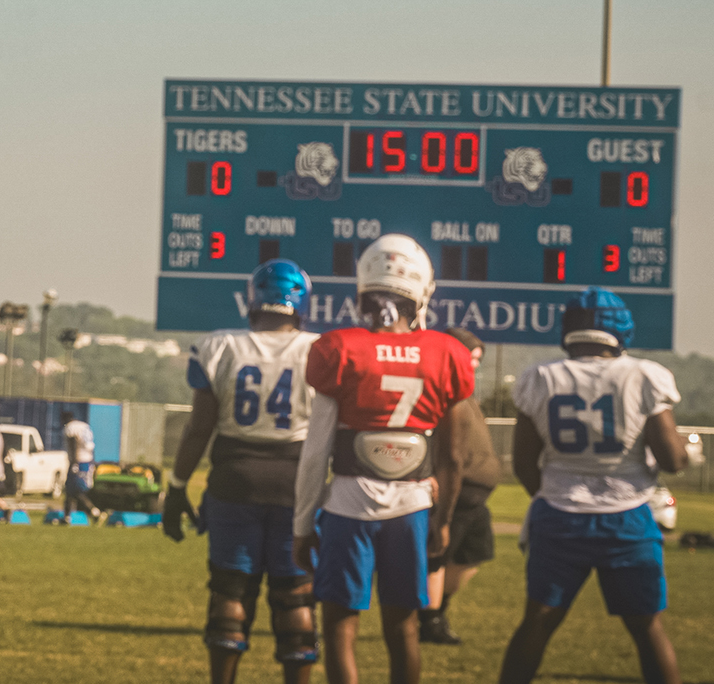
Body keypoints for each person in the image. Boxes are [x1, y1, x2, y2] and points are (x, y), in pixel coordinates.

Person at [292, 234, 475, 684]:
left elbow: (316, 449)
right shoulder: (447, 352)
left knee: (339, 626)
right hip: (412, 504)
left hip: (350, 502)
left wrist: (301, 523)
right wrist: (444, 518)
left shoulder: (340, 348)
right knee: (404, 627)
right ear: (422, 291)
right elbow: (451, 455)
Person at [498, 287, 687, 684]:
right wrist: (685, 454)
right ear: (621, 328)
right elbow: (671, 459)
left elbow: (524, 465)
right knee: (647, 627)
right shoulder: (644, 375)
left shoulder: (540, 377)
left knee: (538, 621)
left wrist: (556, 495)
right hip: (627, 516)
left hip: (559, 516)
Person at [164, 259, 322, 684]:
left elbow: (200, 428)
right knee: (295, 597)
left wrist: (177, 487)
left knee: (230, 589)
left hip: (235, 479)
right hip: (297, 484)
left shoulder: (222, 346)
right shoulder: (319, 349)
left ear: (253, 299)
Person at [419, 327, 503, 646]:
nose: (475, 364)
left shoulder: (465, 391)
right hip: (457, 490)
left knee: (471, 556)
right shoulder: (440, 390)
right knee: (438, 556)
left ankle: (437, 607)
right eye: (471, 357)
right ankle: (429, 619)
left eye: (478, 359)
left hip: (477, 496)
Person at [60, 410, 98, 521]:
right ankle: (67, 516)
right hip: (88, 460)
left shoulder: (70, 427)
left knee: (75, 490)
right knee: (70, 489)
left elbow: (73, 443)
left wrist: (74, 462)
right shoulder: (85, 426)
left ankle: (93, 511)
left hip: (78, 460)